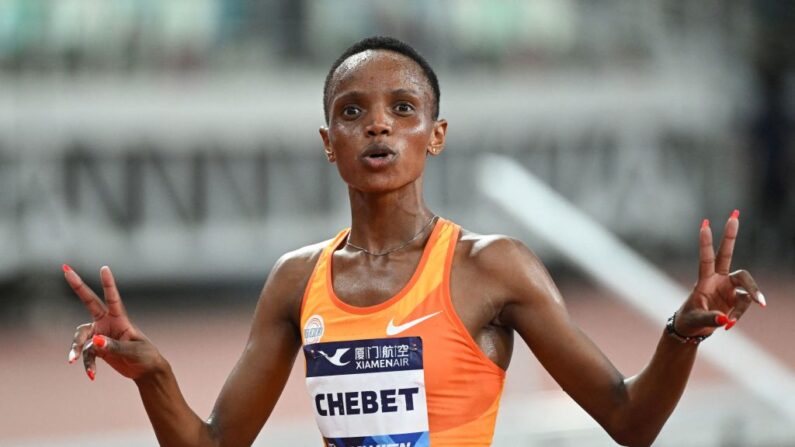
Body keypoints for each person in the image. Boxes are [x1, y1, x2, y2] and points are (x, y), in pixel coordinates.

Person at [64, 36, 765, 447]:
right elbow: (214, 444)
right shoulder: (294, 280)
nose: (377, 126)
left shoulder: (492, 267)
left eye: (402, 108)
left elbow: (627, 418)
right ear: (326, 143)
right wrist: (153, 372)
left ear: (434, 135)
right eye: (352, 111)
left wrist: (678, 333)